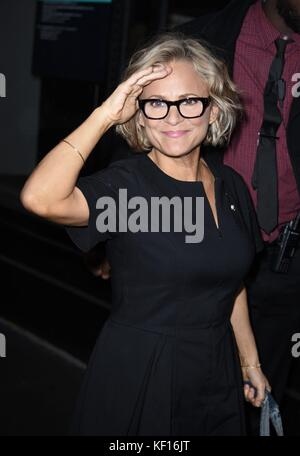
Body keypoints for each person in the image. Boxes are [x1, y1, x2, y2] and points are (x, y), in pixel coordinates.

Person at [20, 33, 271, 436]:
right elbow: (40, 199)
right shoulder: (127, 187)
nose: (173, 118)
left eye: (189, 102)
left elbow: (231, 284)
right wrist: (104, 114)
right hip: (141, 371)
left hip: (215, 370)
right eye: (156, 103)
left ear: (214, 109)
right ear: (138, 114)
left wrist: (250, 363)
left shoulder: (232, 185)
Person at [176, 0, 300, 434]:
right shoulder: (203, 38)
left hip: (288, 256)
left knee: (265, 393)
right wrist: (113, 234)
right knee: (188, 391)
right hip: (203, 246)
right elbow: (140, 131)